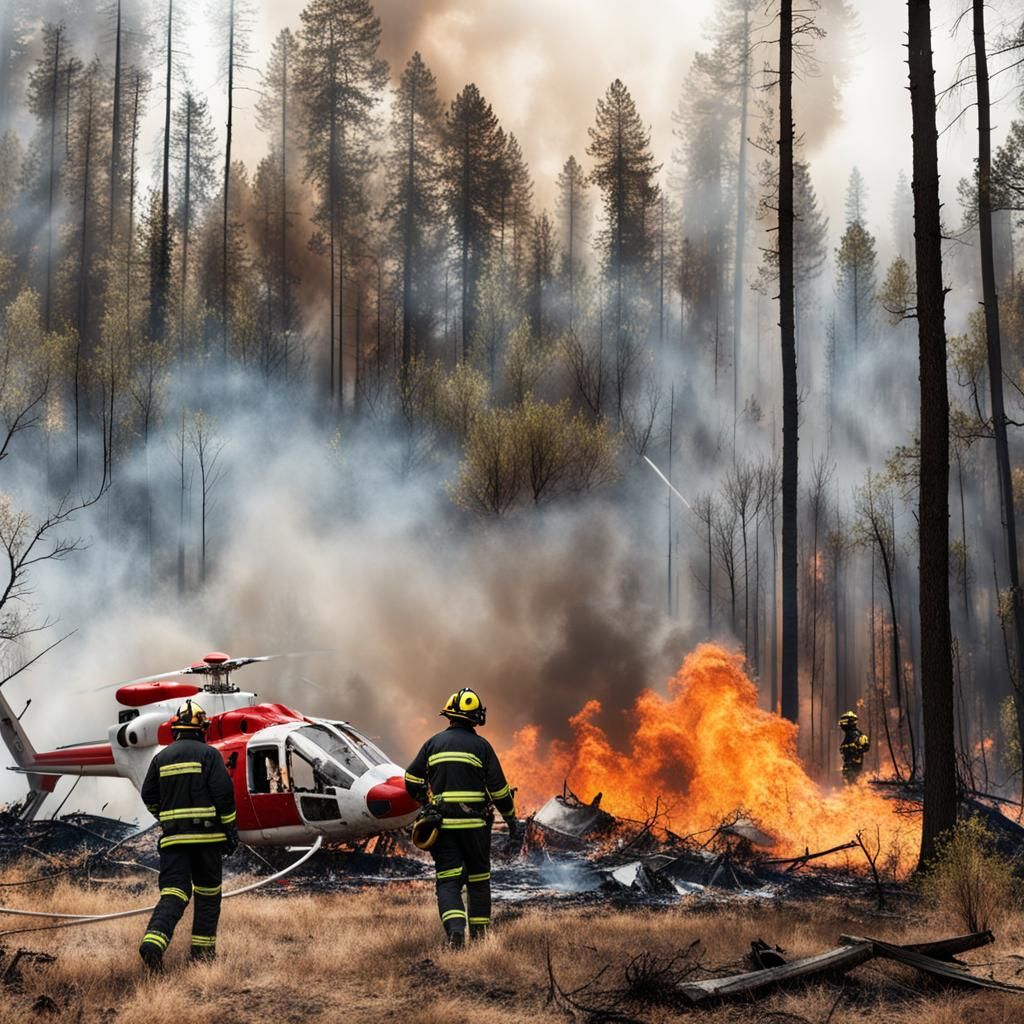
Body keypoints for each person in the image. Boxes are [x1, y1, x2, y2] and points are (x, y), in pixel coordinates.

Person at [404, 687, 519, 949]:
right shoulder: (482, 747)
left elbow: (411, 778)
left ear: (450, 715)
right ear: (475, 717)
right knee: (478, 881)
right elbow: (499, 790)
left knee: (448, 880)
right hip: (476, 829)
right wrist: (511, 820)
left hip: (443, 827)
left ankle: (455, 933)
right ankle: (479, 940)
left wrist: (425, 801)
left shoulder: (432, 744)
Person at [138, 699, 238, 971]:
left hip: (173, 842)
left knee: (174, 892)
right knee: (207, 897)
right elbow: (224, 796)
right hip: (206, 842)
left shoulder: (161, 758)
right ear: (202, 730)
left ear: (177, 730)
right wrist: (230, 831)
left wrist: (168, 817)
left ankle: (153, 943)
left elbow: (148, 796)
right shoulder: (210, 755)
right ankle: (202, 958)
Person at [838, 710, 870, 785]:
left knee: (852, 786)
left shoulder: (858, 735)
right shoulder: (848, 736)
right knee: (849, 787)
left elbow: (866, 747)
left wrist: (857, 751)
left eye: (844, 721)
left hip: (854, 768)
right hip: (848, 767)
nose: (842, 724)